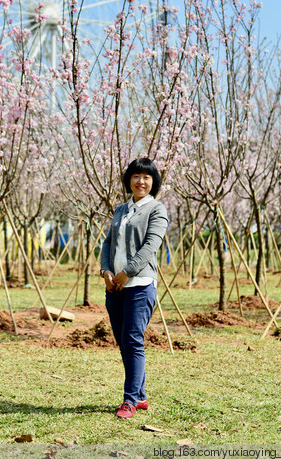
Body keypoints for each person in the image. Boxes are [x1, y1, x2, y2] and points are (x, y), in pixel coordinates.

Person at [100, 157, 168, 419]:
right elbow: (108, 243)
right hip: (115, 285)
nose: (141, 181)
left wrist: (126, 273)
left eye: (147, 177)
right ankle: (139, 397)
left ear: (154, 182)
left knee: (133, 341)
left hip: (140, 284)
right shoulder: (120, 209)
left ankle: (129, 401)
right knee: (124, 343)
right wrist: (107, 271)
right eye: (136, 176)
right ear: (129, 180)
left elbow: (150, 246)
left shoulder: (157, 210)